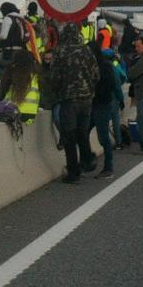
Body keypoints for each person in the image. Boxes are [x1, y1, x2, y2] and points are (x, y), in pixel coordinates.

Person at [44, 23, 98, 183]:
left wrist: (58, 91)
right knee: (82, 132)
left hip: (69, 99)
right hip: (87, 98)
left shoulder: (61, 52)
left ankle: (74, 172)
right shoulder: (87, 51)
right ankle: (88, 159)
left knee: (69, 135)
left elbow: (54, 77)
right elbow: (96, 74)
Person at [88, 41, 119, 178]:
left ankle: (108, 167)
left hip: (102, 104)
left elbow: (112, 84)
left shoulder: (105, 66)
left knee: (103, 137)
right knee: (82, 133)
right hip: (92, 105)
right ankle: (88, 159)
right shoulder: (91, 65)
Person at [0, 48, 41, 122]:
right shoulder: (36, 75)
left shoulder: (13, 73)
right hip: (31, 114)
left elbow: (2, 91)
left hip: (13, 112)